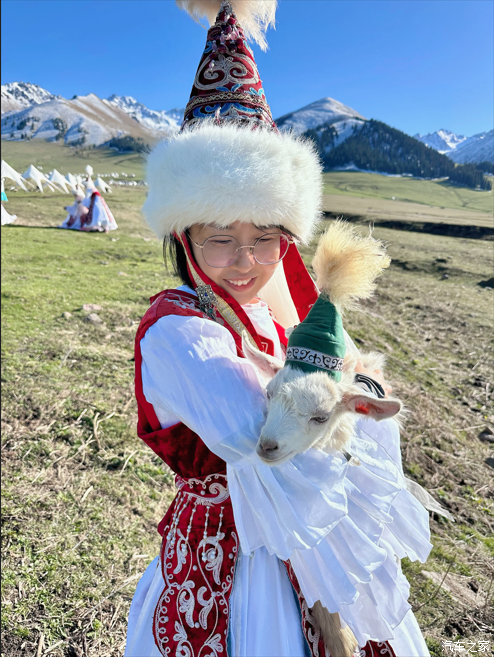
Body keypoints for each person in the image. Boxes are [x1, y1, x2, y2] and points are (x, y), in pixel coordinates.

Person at [125, 2, 432, 656]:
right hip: (230, 561)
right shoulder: (176, 331)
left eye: (266, 238)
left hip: (314, 543)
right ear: (183, 236)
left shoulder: (278, 315)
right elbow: (264, 444)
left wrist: (351, 394)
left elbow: (350, 402)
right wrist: (347, 400)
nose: (246, 262)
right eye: (219, 238)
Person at [59, 166, 117, 232]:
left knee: (97, 214)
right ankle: (102, 227)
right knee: (100, 214)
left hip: (95, 201)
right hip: (96, 200)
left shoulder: (89, 189)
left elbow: (87, 197)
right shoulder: (92, 189)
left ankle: (99, 226)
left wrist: (85, 203)